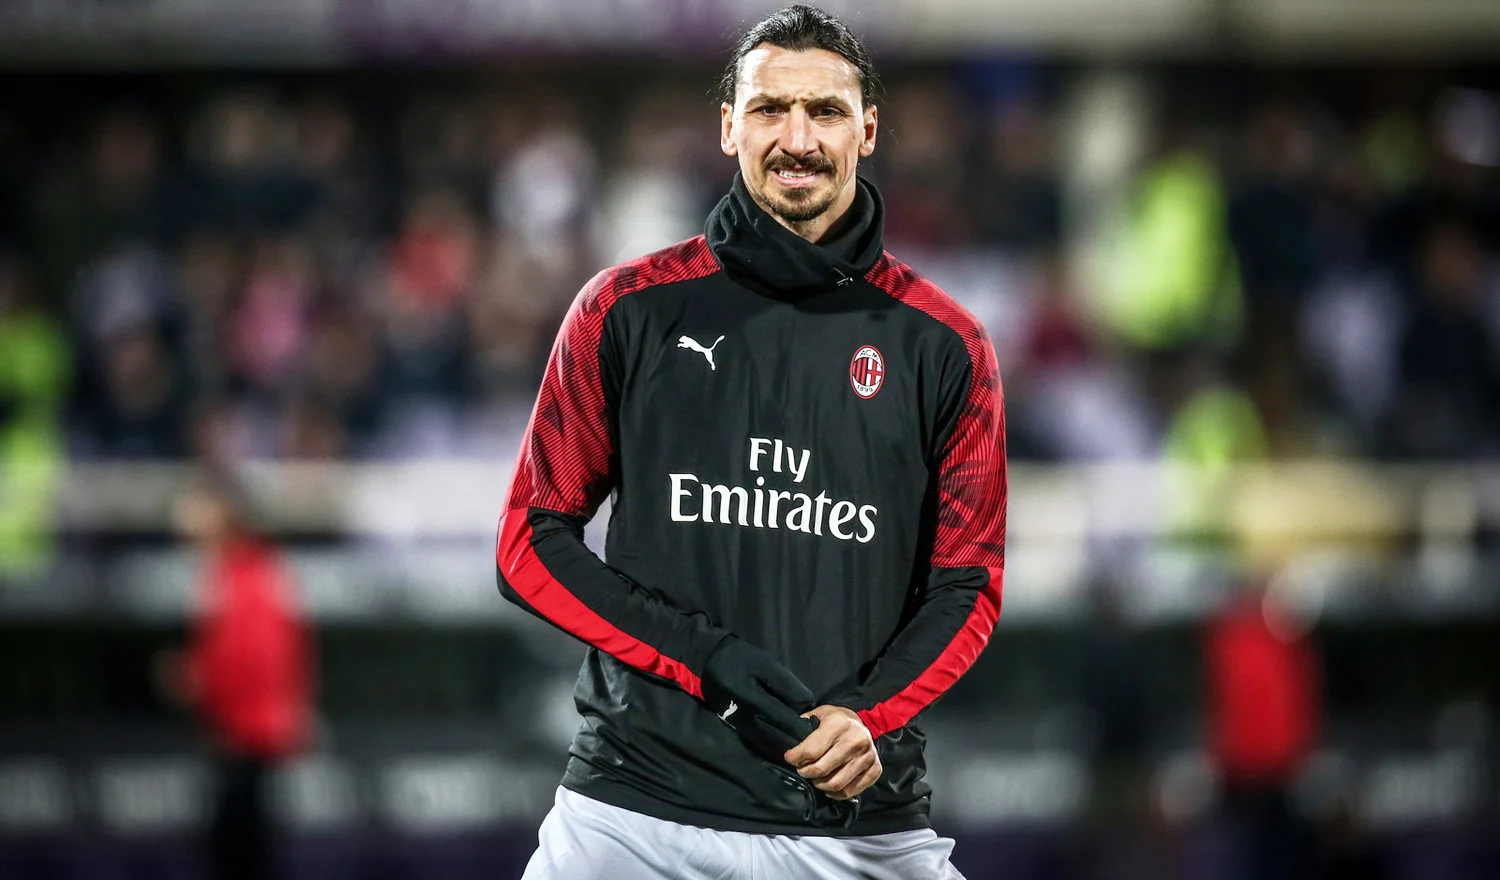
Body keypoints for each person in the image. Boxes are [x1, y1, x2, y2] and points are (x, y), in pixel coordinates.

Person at [495, 6, 1006, 878]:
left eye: (826, 112)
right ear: (729, 126)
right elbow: (528, 543)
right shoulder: (625, 310)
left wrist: (871, 714)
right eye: (771, 109)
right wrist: (703, 657)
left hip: (856, 827)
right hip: (631, 815)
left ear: (867, 131)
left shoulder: (946, 347)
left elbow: (969, 583)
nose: (797, 139)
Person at [159, 471, 315, 880]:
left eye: (198, 504)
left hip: (249, 737)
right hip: (243, 733)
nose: (185, 515)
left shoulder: (250, 572)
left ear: (224, 512)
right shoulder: (234, 570)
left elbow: (256, 657)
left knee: (241, 851)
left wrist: (198, 679)